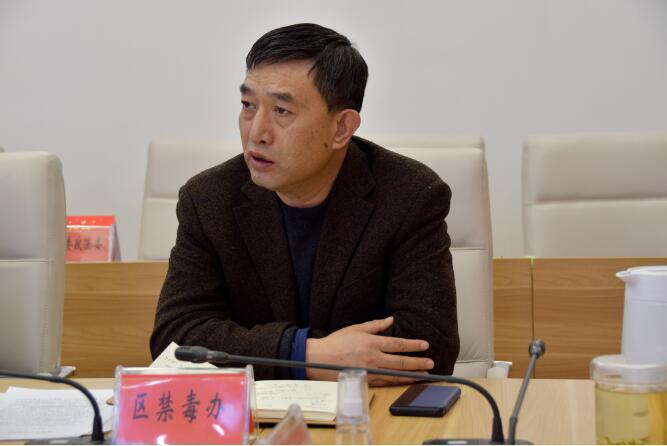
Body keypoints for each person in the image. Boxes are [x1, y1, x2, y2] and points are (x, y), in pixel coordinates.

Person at [150, 23, 459, 385]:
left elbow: (430, 348)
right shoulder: (208, 199)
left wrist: (263, 351)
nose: (256, 132)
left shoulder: (410, 196)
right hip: (254, 415)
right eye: (248, 105)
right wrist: (304, 355)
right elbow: (174, 340)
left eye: (282, 111)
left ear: (341, 128)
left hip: (365, 414)